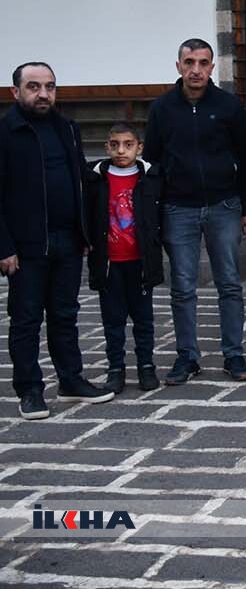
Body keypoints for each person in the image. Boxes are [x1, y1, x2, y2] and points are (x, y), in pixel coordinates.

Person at [143, 38, 246, 385]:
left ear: (212, 67)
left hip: (224, 205)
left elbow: (245, 158)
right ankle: (187, 356)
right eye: (189, 62)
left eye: (203, 62)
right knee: (182, 286)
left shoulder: (227, 106)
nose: (196, 69)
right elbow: (155, 160)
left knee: (229, 283)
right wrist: (157, 211)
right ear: (178, 66)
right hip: (179, 208)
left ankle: (234, 354)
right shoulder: (162, 108)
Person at [2, 62, 113, 419]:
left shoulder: (67, 128)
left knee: (66, 315)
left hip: (68, 240)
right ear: (15, 91)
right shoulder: (6, 131)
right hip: (27, 244)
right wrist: (4, 247)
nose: (43, 94)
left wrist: (85, 229)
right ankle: (30, 389)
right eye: (34, 87)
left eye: (49, 86)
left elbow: (79, 176)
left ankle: (71, 379)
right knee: (26, 319)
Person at [85, 123, 164, 393]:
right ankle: (115, 367)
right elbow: (86, 214)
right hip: (109, 264)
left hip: (140, 262)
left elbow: (159, 214)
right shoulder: (95, 178)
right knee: (113, 320)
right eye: (115, 144)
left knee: (143, 319)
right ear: (106, 147)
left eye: (128, 144)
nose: (121, 150)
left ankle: (146, 366)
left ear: (139, 148)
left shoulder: (151, 177)